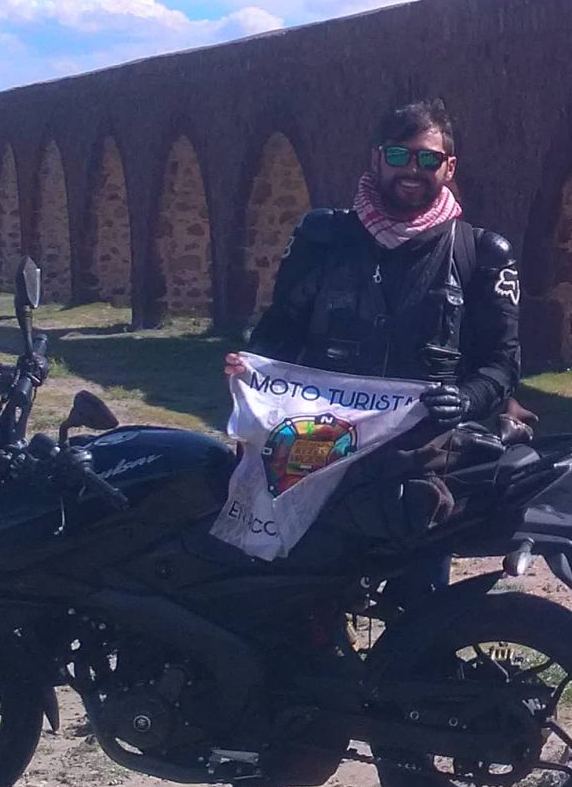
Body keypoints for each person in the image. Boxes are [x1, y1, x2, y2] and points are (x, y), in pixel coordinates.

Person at [222, 97, 522, 569]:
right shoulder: (322, 238)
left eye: (428, 159)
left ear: (448, 167)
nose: (412, 170)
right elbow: (278, 332)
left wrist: (467, 398)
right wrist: (252, 370)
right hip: (318, 450)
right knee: (301, 591)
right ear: (377, 158)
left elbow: (502, 365)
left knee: (421, 604)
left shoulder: (481, 254)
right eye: (399, 155)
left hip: (421, 456)